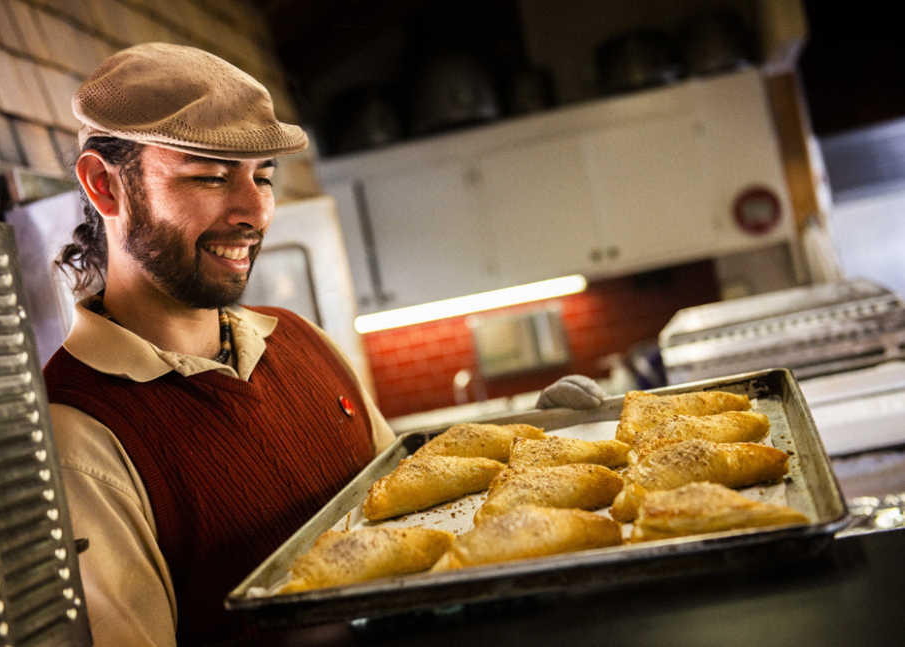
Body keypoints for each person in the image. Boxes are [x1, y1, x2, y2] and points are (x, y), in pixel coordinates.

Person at [45, 42, 604, 647]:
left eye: (263, 178)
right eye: (208, 176)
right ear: (105, 186)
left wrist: (535, 460)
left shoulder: (300, 341)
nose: (253, 211)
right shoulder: (79, 433)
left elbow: (408, 517)